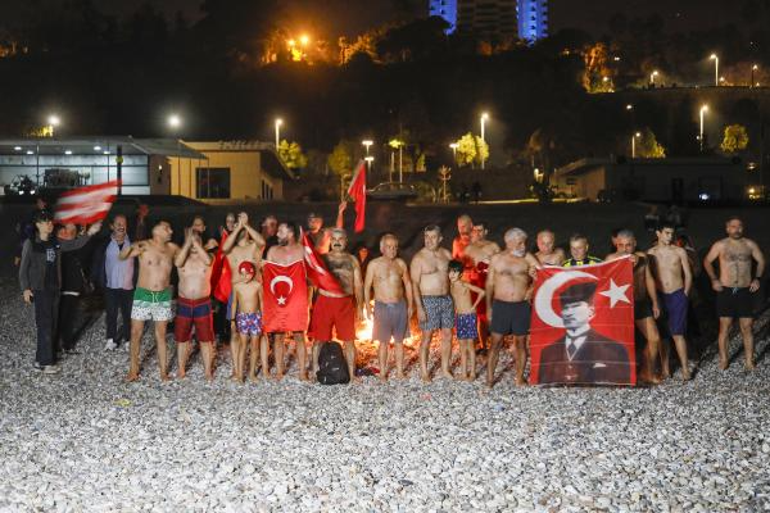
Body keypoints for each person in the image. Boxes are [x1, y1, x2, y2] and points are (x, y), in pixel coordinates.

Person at [19, 211, 101, 374]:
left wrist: (90, 233)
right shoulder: (31, 243)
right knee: (45, 324)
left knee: (51, 324)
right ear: (38, 225)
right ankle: (46, 362)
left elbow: (75, 244)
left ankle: (40, 359)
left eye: (50, 222)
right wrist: (26, 288)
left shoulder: (56, 242)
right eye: (45, 222)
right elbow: (23, 268)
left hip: (55, 289)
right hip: (40, 289)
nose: (49, 224)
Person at [120, 220, 180, 382]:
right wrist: (131, 247)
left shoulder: (173, 248)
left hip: (163, 296)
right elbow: (122, 257)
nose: (171, 231)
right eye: (167, 228)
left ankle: (163, 372)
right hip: (143, 295)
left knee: (160, 335)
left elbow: (185, 259)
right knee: (136, 333)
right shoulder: (144, 245)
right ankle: (133, 370)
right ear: (157, 231)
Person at [538, 282, 631, 384]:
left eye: (575, 306)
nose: (569, 313)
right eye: (565, 308)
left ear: (591, 311)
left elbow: (621, 380)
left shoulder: (613, 348)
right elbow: (544, 381)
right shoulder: (548, 351)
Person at [703, 216, 765, 371]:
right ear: (727, 228)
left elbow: (762, 261)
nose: (736, 229)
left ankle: (749, 361)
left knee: (747, 327)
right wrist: (714, 279)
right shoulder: (720, 245)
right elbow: (707, 261)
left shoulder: (750, 244)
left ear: (742, 228)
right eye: (733, 226)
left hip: (745, 290)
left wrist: (757, 278)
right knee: (725, 326)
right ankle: (724, 360)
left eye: (739, 226)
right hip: (726, 290)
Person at [605, 229, 662, 383]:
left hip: (641, 303)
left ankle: (647, 371)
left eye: (628, 245)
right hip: (619, 306)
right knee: (619, 342)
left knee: (654, 338)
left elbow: (649, 279)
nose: (624, 249)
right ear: (616, 245)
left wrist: (655, 302)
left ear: (634, 244)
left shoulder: (643, 258)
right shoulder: (611, 258)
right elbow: (603, 283)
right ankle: (618, 375)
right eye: (621, 245)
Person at [486, 228, 541, 387]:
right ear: (509, 243)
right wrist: (489, 307)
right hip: (501, 306)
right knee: (496, 343)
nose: (524, 246)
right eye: (520, 243)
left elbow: (544, 275)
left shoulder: (529, 258)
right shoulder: (496, 259)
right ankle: (490, 379)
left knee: (521, 343)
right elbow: (489, 284)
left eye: (524, 242)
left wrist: (532, 288)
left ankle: (519, 378)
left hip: (521, 306)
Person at [309, 228, 363, 382]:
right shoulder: (322, 259)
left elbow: (358, 284)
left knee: (349, 340)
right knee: (319, 339)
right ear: (330, 241)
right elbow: (313, 281)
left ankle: (352, 375)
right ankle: (315, 371)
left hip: (345, 303)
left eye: (341, 239)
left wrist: (360, 305)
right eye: (334, 239)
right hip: (325, 301)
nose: (337, 242)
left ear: (346, 241)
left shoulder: (352, 260)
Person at [364, 234, 413, 381]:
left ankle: (399, 372)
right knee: (383, 342)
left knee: (399, 341)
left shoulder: (401, 264)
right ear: (382, 248)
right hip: (382, 306)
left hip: (400, 306)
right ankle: (383, 372)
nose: (392, 250)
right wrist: (367, 306)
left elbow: (408, 285)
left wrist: (411, 305)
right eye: (389, 247)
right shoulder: (374, 264)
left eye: (395, 247)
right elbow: (366, 287)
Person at [647, 222, 693, 381]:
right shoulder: (650, 253)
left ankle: (686, 368)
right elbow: (649, 277)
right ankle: (666, 369)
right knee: (663, 335)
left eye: (672, 233)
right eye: (667, 233)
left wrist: (685, 293)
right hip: (660, 296)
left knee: (677, 334)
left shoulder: (679, 251)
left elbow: (688, 273)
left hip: (677, 294)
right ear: (658, 233)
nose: (670, 236)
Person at [221, 212, 265, 374]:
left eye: (243, 227)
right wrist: (239, 226)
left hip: (254, 292)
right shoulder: (232, 250)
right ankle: (236, 368)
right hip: (237, 292)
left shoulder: (254, 246)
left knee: (257, 334)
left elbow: (262, 241)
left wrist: (246, 225)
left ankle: (256, 369)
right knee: (235, 332)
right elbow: (224, 247)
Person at [265, 221, 308, 380]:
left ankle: (303, 372)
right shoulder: (273, 251)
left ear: (290, 233)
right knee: (278, 335)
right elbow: (267, 275)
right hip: (278, 298)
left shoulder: (302, 250)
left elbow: (311, 272)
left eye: (280, 231)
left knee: (299, 334)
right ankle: (279, 371)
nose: (276, 234)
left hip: (297, 297)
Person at [411, 225, 454, 381]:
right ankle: (424, 372)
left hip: (446, 299)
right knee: (427, 336)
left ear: (440, 238)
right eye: (426, 237)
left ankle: (445, 369)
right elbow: (414, 284)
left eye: (433, 237)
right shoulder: (419, 258)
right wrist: (419, 308)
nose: (429, 240)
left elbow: (454, 278)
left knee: (448, 335)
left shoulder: (447, 255)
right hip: (428, 299)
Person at [174, 228, 215, 380]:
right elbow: (178, 262)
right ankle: (181, 369)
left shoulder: (208, 256)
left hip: (202, 303)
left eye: (197, 240)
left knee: (206, 339)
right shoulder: (181, 256)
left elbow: (209, 261)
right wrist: (188, 242)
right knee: (182, 338)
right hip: (184, 302)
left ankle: (208, 372)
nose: (193, 243)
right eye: (190, 240)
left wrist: (196, 242)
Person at [92, 214, 135, 351]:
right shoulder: (105, 243)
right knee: (111, 314)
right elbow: (97, 263)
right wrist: (95, 280)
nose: (121, 226)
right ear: (112, 226)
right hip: (110, 285)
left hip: (128, 286)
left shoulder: (134, 242)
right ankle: (111, 340)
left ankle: (128, 340)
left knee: (128, 314)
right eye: (118, 223)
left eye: (124, 223)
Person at [463, 221, 500, 349]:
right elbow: (463, 269)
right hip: (475, 284)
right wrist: (470, 270)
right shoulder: (468, 249)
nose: (477, 233)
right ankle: (482, 346)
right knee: (478, 316)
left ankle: (495, 344)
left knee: (493, 315)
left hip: (491, 283)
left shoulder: (493, 246)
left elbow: (501, 263)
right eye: (475, 230)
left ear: (486, 232)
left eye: (480, 230)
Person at [56, 223, 91, 356]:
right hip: (63, 288)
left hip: (74, 288)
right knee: (61, 317)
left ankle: (66, 344)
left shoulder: (75, 246)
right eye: (65, 230)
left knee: (70, 318)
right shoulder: (59, 245)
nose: (68, 233)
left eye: (71, 230)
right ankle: (57, 345)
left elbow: (83, 257)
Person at [448, 260, 485, 381]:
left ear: (460, 274)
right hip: (460, 317)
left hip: (469, 317)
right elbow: (455, 302)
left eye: (455, 272)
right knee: (462, 346)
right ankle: (464, 373)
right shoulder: (451, 285)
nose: (451, 274)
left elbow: (482, 292)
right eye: (450, 272)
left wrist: (473, 307)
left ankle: (473, 373)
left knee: (470, 346)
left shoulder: (464, 284)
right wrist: (454, 315)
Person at [231, 261, 265, 383]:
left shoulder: (257, 285)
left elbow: (261, 301)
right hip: (242, 317)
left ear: (252, 274)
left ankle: (251, 373)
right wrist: (233, 319)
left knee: (255, 346)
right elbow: (235, 302)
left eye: (247, 274)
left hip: (255, 317)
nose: (244, 277)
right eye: (242, 274)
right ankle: (240, 374)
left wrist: (263, 316)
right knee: (243, 345)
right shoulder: (237, 286)